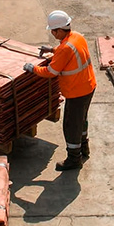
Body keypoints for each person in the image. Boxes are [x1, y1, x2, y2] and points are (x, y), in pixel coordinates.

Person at [23, 10, 96, 171]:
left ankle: (74, 159)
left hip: (77, 92)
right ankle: (84, 148)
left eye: (53, 31)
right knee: (81, 120)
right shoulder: (77, 37)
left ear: (60, 30)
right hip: (88, 86)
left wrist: (32, 68)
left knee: (71, 126)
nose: (53, 34)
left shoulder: (65, 48)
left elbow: (51, 72)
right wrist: (52, 50)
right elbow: (68, 50)